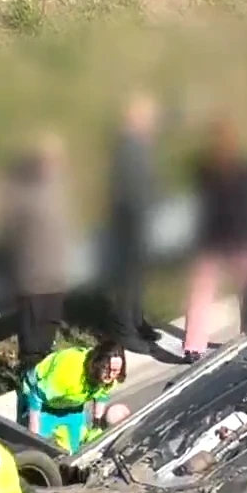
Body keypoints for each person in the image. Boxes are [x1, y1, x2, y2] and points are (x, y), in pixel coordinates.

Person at [182, 118, 247, 361]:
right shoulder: (244, 168)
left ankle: (193, 346)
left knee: (201, 293)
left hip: (212, 237)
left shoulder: (202, 168)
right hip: (237, 237)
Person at [6, 134, 73, 396]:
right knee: (32, 341)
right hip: (33, 279)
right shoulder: (22, 194)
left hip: (55, 276)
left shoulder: (61, 191)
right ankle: (29, 387)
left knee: (47, 334)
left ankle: (42, 386)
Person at [105, 94, 162, 356]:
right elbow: (128, 189)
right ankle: (125, 330)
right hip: (129, 221)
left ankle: (138, 322)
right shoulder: (127, 147)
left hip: (141, 220)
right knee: (128, 280)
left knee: (139, 278)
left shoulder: (140, 144)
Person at [22, 341, 130, 453]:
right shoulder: (69, 372)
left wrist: (96, 425)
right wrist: (33, 434)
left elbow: (101, 395)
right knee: (38, 450)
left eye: (116, 371)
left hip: (72, 406)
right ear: (96, 364)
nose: (111, 375)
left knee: (75, 452)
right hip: (43, 404)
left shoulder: (109, 378)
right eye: (107, 369)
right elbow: (36, 396)